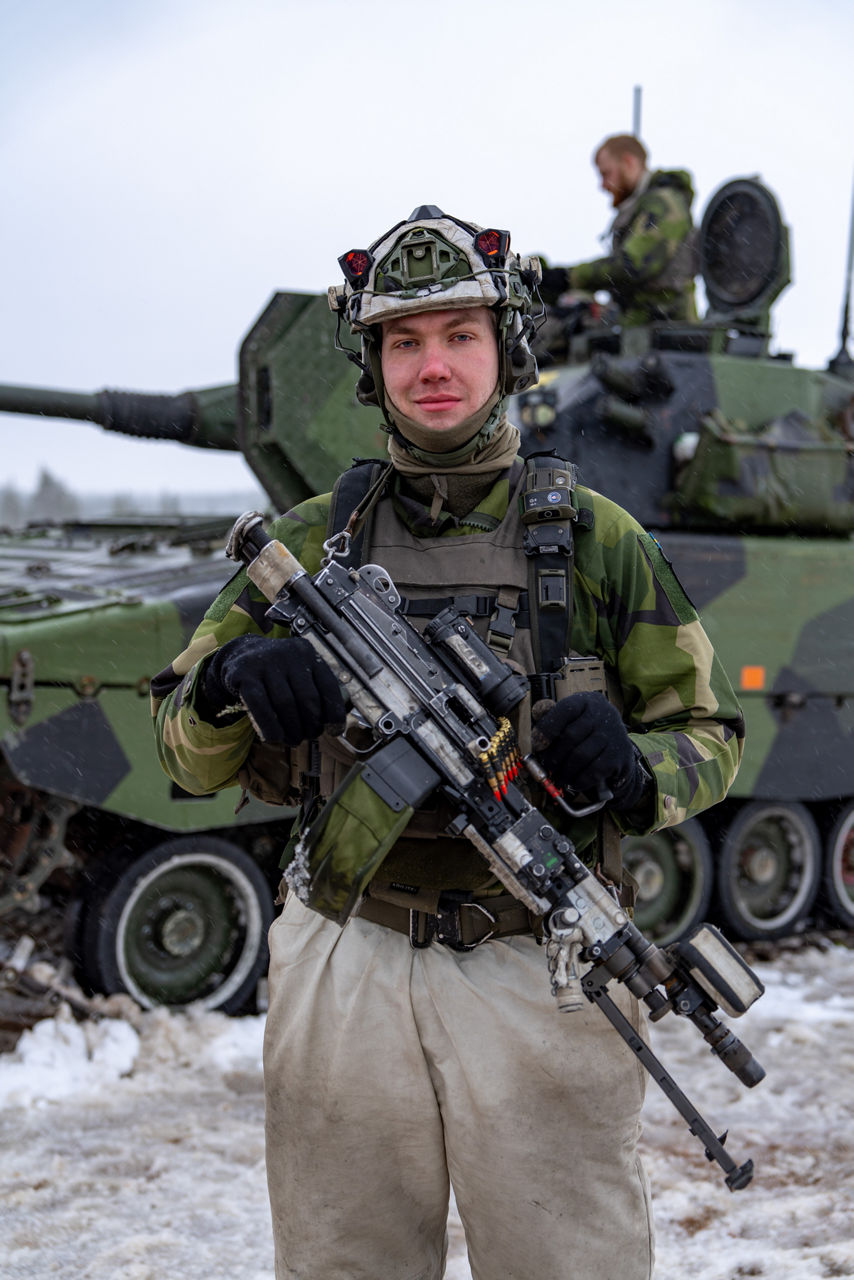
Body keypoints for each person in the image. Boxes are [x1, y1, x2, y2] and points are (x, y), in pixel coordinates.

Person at [151, 205, 744, 1280]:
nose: (432, 363)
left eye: (459, 334)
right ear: (372, 365)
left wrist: (632, 770)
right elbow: (182, 751)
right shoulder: (299, 545)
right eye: (403, 339)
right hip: (345, 955)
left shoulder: (600, 540)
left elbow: (709, 734)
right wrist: (230, 687)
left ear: (505, 347)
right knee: (343, 1258)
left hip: (535, 959)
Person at [540, 133, 698, 327]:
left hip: (668, 331)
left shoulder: (663, 203)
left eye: (606, 174)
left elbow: (633, 265)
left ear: (628, 163)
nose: (603, 185)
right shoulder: (638, 208)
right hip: (639, 328)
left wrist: (569, 277)